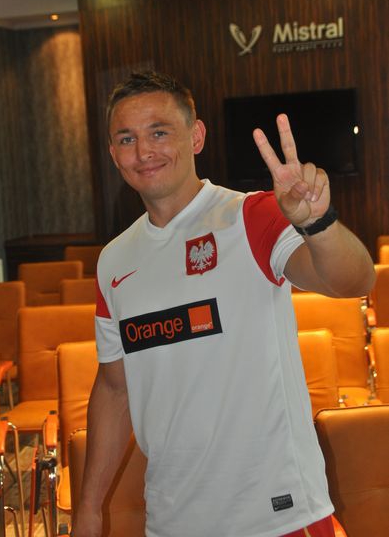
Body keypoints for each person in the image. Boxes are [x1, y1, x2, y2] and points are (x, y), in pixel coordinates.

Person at [72, 71, 375, 537]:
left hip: (277, 515)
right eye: (127, 139)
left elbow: (353, 280)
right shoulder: (114, 260)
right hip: (174, 519)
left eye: (159, 132)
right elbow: (115, 389)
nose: (143, 151)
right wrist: (89, 508)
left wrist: (318, 224)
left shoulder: (250, 216)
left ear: (196, 136)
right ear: (114, 154)